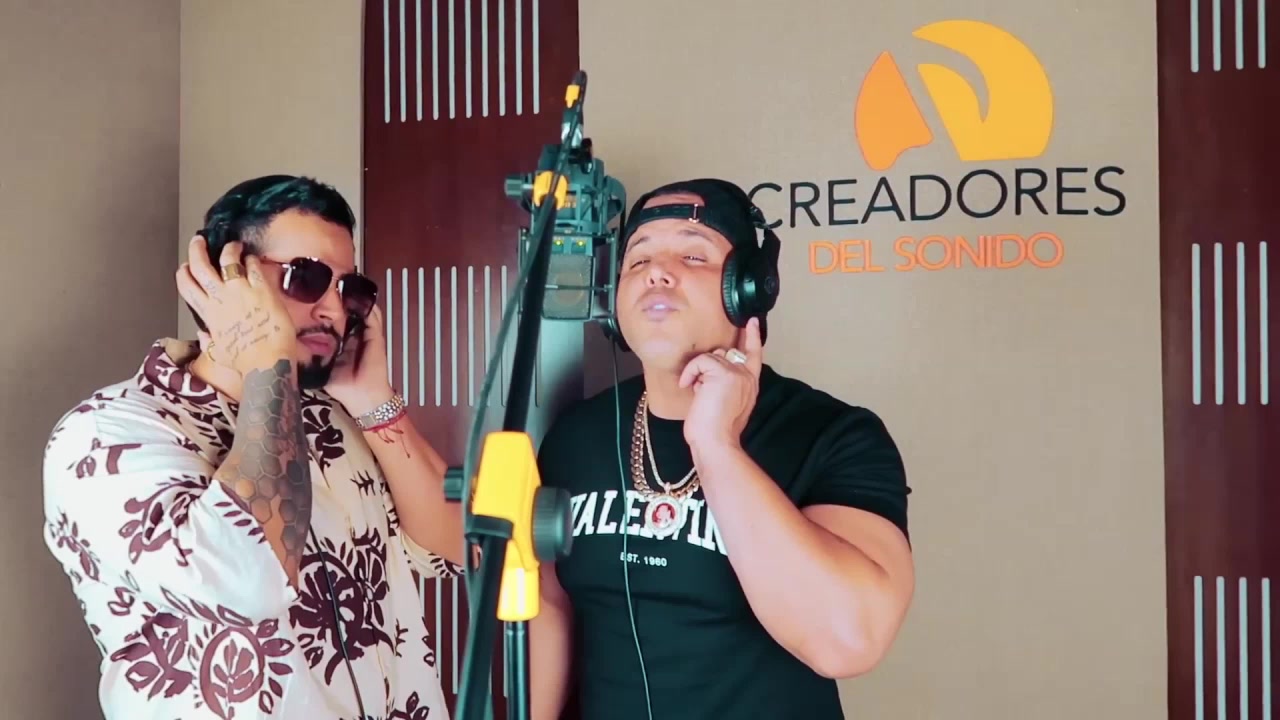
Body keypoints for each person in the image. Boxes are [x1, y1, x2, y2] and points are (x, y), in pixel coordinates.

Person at [42, 175, 462, 720]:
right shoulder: (106, 436)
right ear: (227, 279)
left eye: (349, 289)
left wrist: (372, 399)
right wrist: (268, 361)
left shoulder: (334, 418)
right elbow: (250, 579)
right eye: (306, 277)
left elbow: (457, 547)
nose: (335, 311)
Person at [529, 178, 915, 720]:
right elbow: (551, 606)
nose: (657, 272)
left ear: (749, 289)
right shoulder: (576, 435)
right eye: (638, 259)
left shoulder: (832, 434)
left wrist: (716, 446)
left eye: (693, 254)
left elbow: (848, 641)